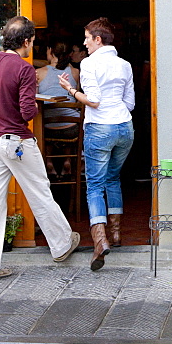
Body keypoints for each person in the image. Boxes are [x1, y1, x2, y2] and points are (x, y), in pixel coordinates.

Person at [0, 16, 80, 282]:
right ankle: (62, 244)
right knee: (39, 191)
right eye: (32, 41)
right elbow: (28, 111)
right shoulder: (24, 69)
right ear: (27, 41)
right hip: (16, 141)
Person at [59, 17, 135, 270]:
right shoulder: (124, 65)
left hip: (99, 127)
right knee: (113, 179)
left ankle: (100, 241)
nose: (84, 42)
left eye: (87, 38)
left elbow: (93, 101)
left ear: (98, 40)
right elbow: (130, 103)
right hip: (124, 127)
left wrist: (70, 90)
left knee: (94, 185)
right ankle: (116, 234)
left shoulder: (89, 64)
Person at [36, 41, 81, 178]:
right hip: (71, 129)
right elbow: (77, 96)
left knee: (44, 121)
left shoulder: (39, 73)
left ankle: (48, 161)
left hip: (48, 128)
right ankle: (67, 160)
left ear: (50, 51)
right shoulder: (75, 72)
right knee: (69, 120)